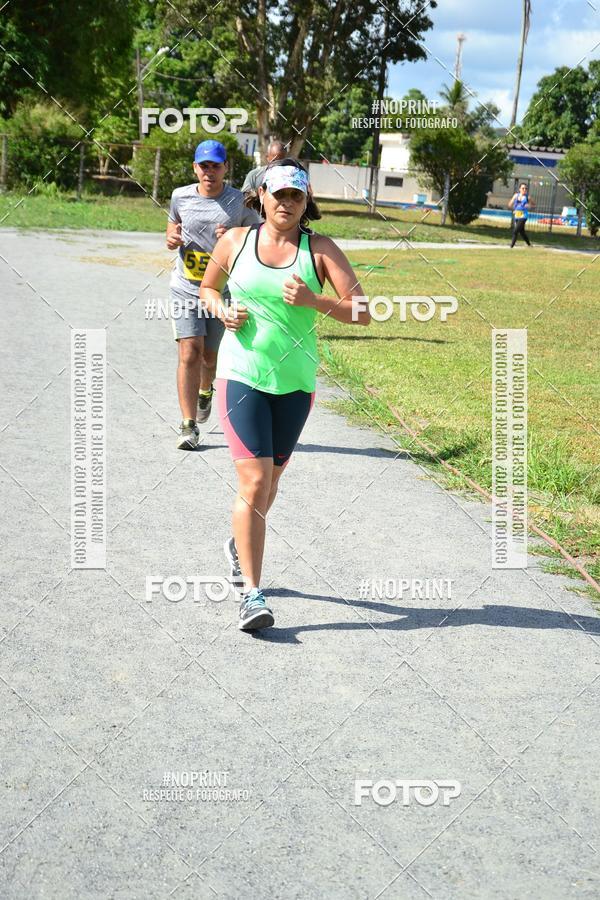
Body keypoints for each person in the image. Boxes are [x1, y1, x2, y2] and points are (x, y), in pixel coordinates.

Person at [199, 158, 371, 632]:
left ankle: (239, 543)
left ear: (305, 200)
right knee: (255, 482)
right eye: (279, 194)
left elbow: (362, 312)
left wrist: (315, 301)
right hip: (242, 375)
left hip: (295, 385)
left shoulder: (320, 250)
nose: (287, 203)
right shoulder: (236, 241)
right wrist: (222, 311)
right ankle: (251, 594)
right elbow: (208, 288)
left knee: (269, 484)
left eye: (296, 195)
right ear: (262, 196)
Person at [166, 139, 261, 450]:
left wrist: (234, 237)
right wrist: (171, 238)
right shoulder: (180, 196)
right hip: (185, 287)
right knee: (189, 352)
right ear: (195, 168)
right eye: (204, 165)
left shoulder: (239, 202)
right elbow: (172, 226)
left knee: (210, 356)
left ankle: (205, 390)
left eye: (215, 166)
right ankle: (188, 425)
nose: (209, 171)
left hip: (222, 291)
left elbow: (258, 237)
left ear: (225, 168)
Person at [508, 182, 534, 248]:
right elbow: (509, 204)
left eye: (526, 188)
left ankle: (511, 246)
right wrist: (514, 209)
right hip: (517, 215)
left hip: (524, 216)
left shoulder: (528, 197)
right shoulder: (516, 196)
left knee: (515, 231)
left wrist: (529, 205)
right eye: (523, 188)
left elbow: (533, 205)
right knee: (522, 232)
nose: (524, 190)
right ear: (519, 189)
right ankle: (529, 244)